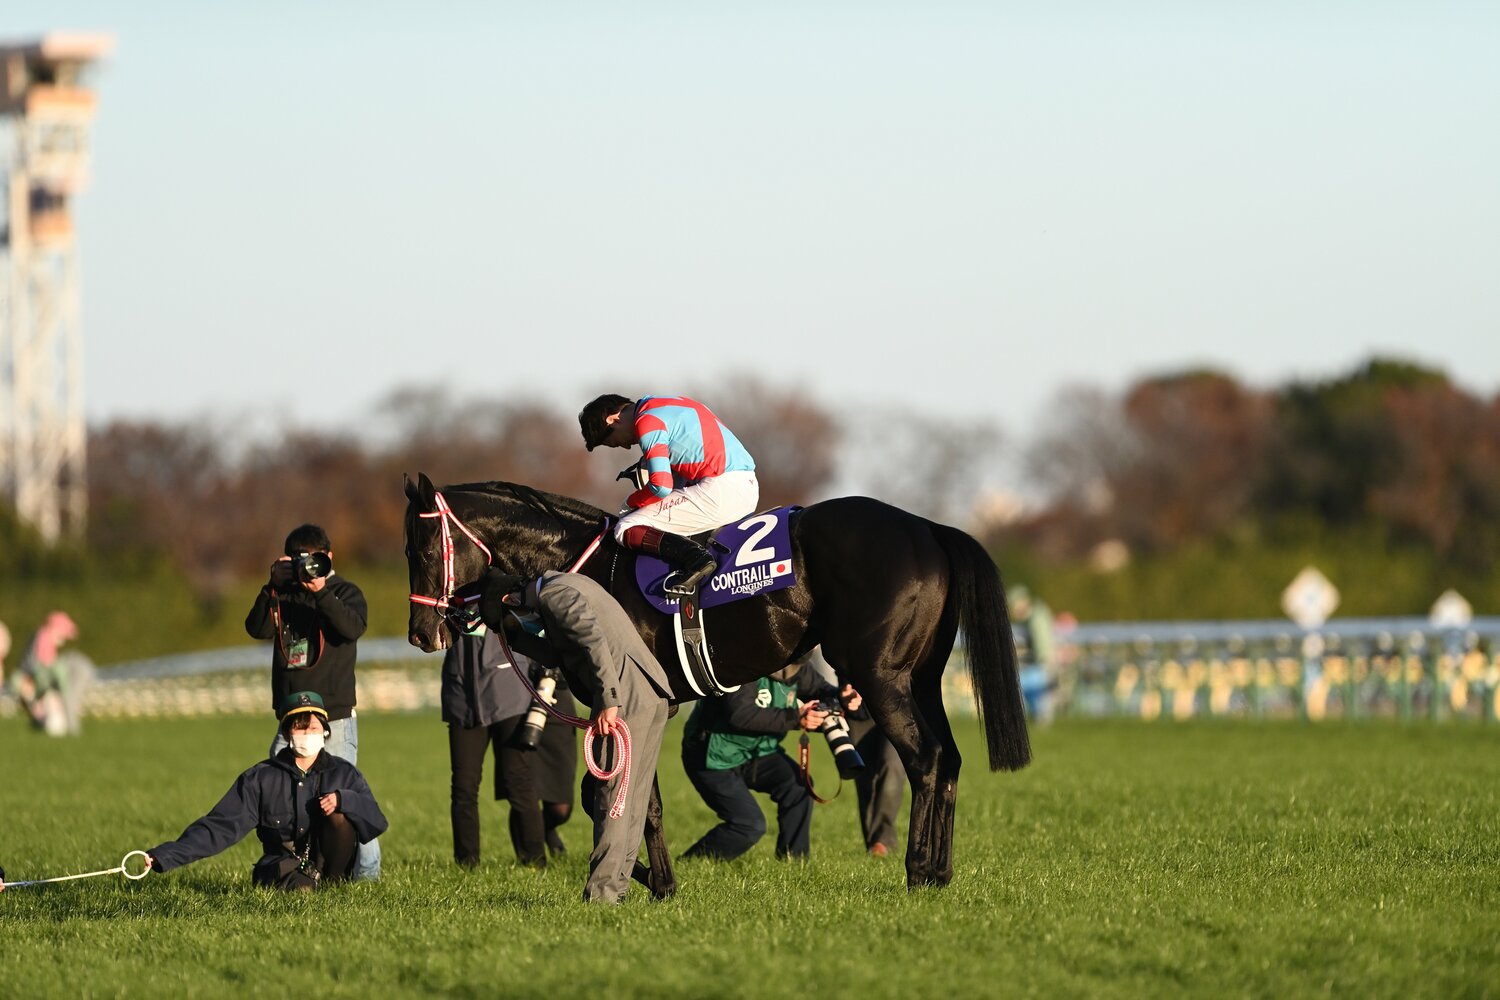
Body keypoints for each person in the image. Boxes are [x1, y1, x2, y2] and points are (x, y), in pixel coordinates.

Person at [482, 569, 673, 904]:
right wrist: (513, 634)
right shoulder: (567, 583)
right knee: (630, 800)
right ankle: (618, 887)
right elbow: (561, 654)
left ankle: (602, 895)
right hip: (648, 694)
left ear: (509, 600)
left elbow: (592, 640)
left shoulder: (554, 596)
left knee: (611, 798)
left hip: (625, 697)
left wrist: (609, 699)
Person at [244, 523, 380, 879]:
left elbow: (351, 628)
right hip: (291, 718)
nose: (305, 566)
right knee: (279, 792)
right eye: (297, 559)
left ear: (328, 557)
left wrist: (321, 592)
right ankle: (294, 869)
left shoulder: (345, 591)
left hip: (334, 716)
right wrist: (271, 587)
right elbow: (256, 628)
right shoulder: (283, 595)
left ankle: (367, 875)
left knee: (346, 795)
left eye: (312, 559)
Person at [144, 692, 388, 890]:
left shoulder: (344, 773)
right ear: (287, 733)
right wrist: (164, 856)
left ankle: (334, 887)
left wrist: (344, 800)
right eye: (300, 728)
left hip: (331, 867)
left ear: (325, 731)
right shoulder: (260, 778)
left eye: (313, 728)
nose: (307, 734)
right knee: (301, 893)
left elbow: (376, 821)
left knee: (339, 815)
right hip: (283, 867)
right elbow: (220, 826)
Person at [578, 393, 758, 595]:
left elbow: (661, 487)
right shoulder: (668, 402)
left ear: (612, 420)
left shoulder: (646, 421)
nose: (627, 446)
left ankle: (697, 559)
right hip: (748, 486)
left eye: (615, 443)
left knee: (626, 526)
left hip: (721, 491)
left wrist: (630, 502)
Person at [441, 623, 577, 868]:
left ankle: (534, 862)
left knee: (518, 781)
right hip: (461, 697)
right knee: (463, 786)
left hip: (509, 694)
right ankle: (466, 864)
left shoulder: (501, 600)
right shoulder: (447, 604)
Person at [678, 663, 833, 862]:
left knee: (799, 785)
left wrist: (843, 699)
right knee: (749, 825)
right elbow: (740, 714)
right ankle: (688, 864)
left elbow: (823, 690)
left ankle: (794, 863)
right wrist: (795, 718)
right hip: (713, 756)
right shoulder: (744, 661)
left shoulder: (796, 666)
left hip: (758, 752)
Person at [3, 611, 95, 736]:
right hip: (33, 683)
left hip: (35, 683)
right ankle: (65, 728)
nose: (64, 639)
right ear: (54, 629)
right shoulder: (44, 639)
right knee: (54, 702)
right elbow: (43, 671)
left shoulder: (40, 639)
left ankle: (52, 725)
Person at [1010, 584, 1059, 725]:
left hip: (1042, 662)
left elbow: (1043, 644)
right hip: (1039, 662)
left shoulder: (1037, 618)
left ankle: (1041, 722)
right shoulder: (1034, 616)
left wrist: (1046, 662)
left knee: (1038, 695)